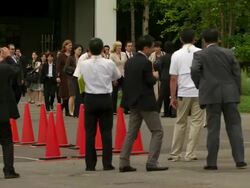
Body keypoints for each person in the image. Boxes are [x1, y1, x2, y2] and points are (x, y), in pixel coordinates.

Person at [191, 29, 247, 170]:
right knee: (234, 126)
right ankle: (240, 159)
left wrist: (201, 85)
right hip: (230, 93)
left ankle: (212, 162)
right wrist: (237, 92)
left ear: (204, 40)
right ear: (218, 39)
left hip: (211, 94)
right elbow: (236, 73)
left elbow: (194, 70)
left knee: (213, 129)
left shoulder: (200, 54)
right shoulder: (229, 53)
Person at [119, 35, 168, 172]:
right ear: (146, 48)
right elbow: (149, 81)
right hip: (146, 101)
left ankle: (124, 161)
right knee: (157, 131)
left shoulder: (129, 62)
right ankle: (152, 161)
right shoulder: (146, 62)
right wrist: (155, 76)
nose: (153, 49)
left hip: (133, 101)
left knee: (131, 133)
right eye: (151, 46)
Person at [77, 38, 121, 171]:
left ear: (89, 50)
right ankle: (107, 163)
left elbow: (79, 79)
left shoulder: (84, 63)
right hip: (105, 98)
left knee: (90, 133)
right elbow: (117, 76)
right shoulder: (109, 63)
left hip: (90, 98)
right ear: (103, 49)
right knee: (106, 132)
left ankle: (90, 164)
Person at [168, 29, 205, 162]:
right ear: (195, 39)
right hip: (199, 91)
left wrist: (172, 97)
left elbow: (173, 78)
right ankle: (190, 153)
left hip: (183, 91)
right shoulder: (201, 52)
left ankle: (175, 153)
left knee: (180, 122)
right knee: (196, 123)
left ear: (180, 39)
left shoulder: (176, 54)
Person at [0, 47, 20, 179]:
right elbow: (17, 70)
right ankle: (8, 170)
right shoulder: (4, 68)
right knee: (7, 141)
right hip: (2, 112)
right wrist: (8, 57)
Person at [157, 41, 176, 118]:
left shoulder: (162, 57)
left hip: (164, 77)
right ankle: (173, 112)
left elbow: (158, 67)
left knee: (163, 95)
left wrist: (161, 75)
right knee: (173, 95)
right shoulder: (174, 57)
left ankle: (165, 112)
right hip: (173, 76)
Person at [110, 41, 127, 114]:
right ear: (115, 47)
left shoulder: (124, 54)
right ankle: (113, 110)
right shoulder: (112, 55)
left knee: (125, 92)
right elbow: (111, 67)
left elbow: (126, 64)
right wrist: (114, 79)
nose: (120, 47)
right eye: (118, 46)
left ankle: (124, 109)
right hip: (116, 76)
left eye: (120, 46)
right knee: (115, 93)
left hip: (123, 75)